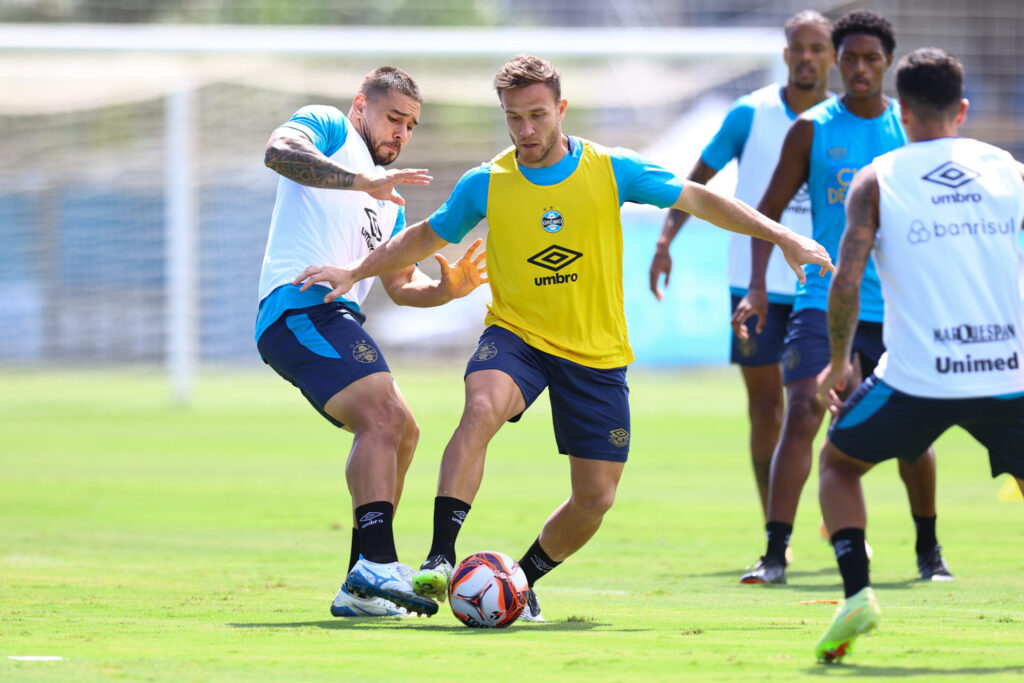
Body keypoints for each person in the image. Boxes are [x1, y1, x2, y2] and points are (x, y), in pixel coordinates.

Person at [292, 54, 834, 621]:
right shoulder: (489, 181)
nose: (525, 130)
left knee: (596, 498)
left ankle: (519, 581)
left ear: (561, 110)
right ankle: (440, 558)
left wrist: (783, 237)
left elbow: (699, 198)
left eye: (537, 116)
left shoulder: (610, 169)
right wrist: (353, 273)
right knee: (481, 407)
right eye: (513, 118)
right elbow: (426, 235)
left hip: (596, 354)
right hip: (517, 335)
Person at [814, 47, 1024, 662]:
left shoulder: (877, 178)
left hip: (917, 378)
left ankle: (857, 596)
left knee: (838, 463)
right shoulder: (1008, 169)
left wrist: (836, 361)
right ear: (962, 109)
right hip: (1007, 371)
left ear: (900, 111)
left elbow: (846, 280)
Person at [256, 67, 487, 618]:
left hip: (339, 316)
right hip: (298, 308)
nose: (402, 133)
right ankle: (379, 562)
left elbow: (400, 287)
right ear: (361, 105)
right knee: (383, 417)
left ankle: (359, 588)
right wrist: (362, 181)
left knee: (404, 429)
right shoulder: (330, 126)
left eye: (411, 124)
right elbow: (277, 151)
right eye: (392, 118)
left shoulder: (390, 200)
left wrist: (447, 291)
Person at [733, 10, 952, 585]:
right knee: (803, 409)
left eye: (870, 59)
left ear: (887, 64)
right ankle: (775, 554)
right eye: (848, 57)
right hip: (821, 298)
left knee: (913, 432)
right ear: (835, 60)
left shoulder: (907, 133)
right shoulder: (811, 128)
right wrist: (758, 285)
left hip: (899, 306)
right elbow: (767, 214)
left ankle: (929, 552)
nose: (858, 68)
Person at [649, 10, 833, 529]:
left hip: (823, 285)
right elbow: (695, 183)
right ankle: (777, 522)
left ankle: (837, 509)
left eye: (817, 48)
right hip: (751, 285)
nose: (806, 57)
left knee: (832, 403)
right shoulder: (749, 114)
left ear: (832, 56)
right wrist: (665, 240)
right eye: (798, 47)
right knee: (766, 409)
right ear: (785, 54)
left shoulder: (849, 120)